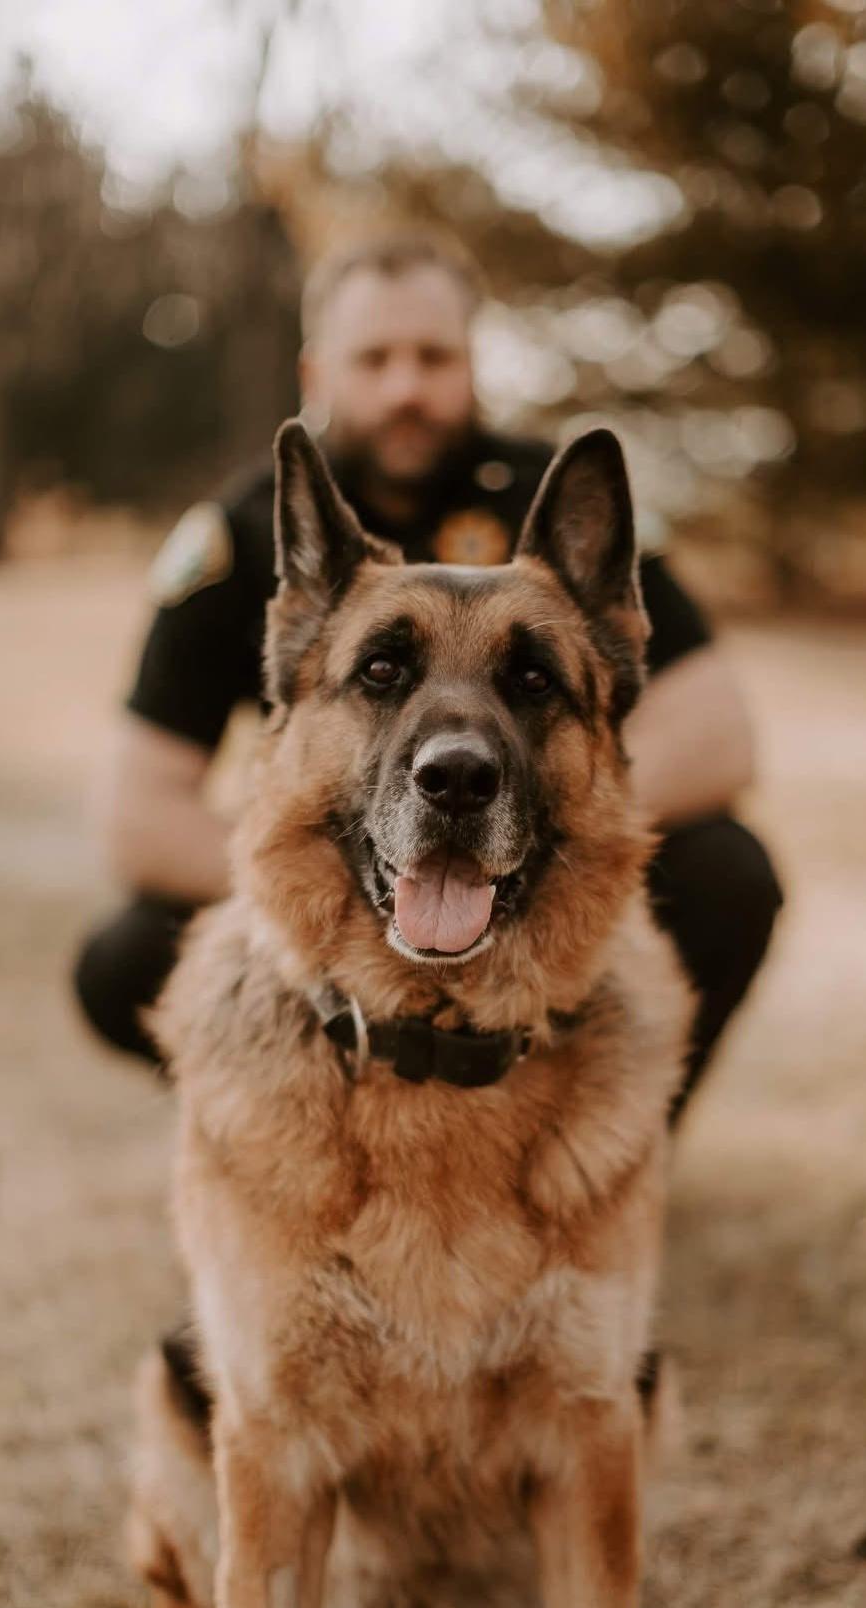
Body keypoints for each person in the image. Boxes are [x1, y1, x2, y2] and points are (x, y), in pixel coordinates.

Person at [74, 232, 782, 1117]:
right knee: (124, 957)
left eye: (433, 356)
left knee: (726, 871)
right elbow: (137, 818)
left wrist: (546, 840)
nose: (405, 386)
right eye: (373, 358)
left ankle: (618, 1140)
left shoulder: (555, 497)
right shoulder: (250, 533)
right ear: (315, 372)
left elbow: (718, 738)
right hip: (333, 874)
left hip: (535, 855)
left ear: (472, 365)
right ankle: (275, 1125)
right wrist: (328, 886)